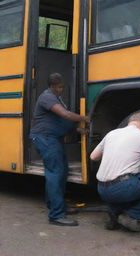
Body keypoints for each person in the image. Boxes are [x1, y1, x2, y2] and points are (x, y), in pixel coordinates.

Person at [30, 73, 89, 226]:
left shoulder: (56, 98)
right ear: (54, 86)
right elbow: (65, 114)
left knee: (61, 172)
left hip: (53, 138)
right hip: (46, 138)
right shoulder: (47, 97)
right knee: (55, 174)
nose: (62, 89)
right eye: (60, 86)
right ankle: (56, 215)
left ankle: (58, 205)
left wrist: (76, 130)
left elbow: (58, 120)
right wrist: (84, 118)